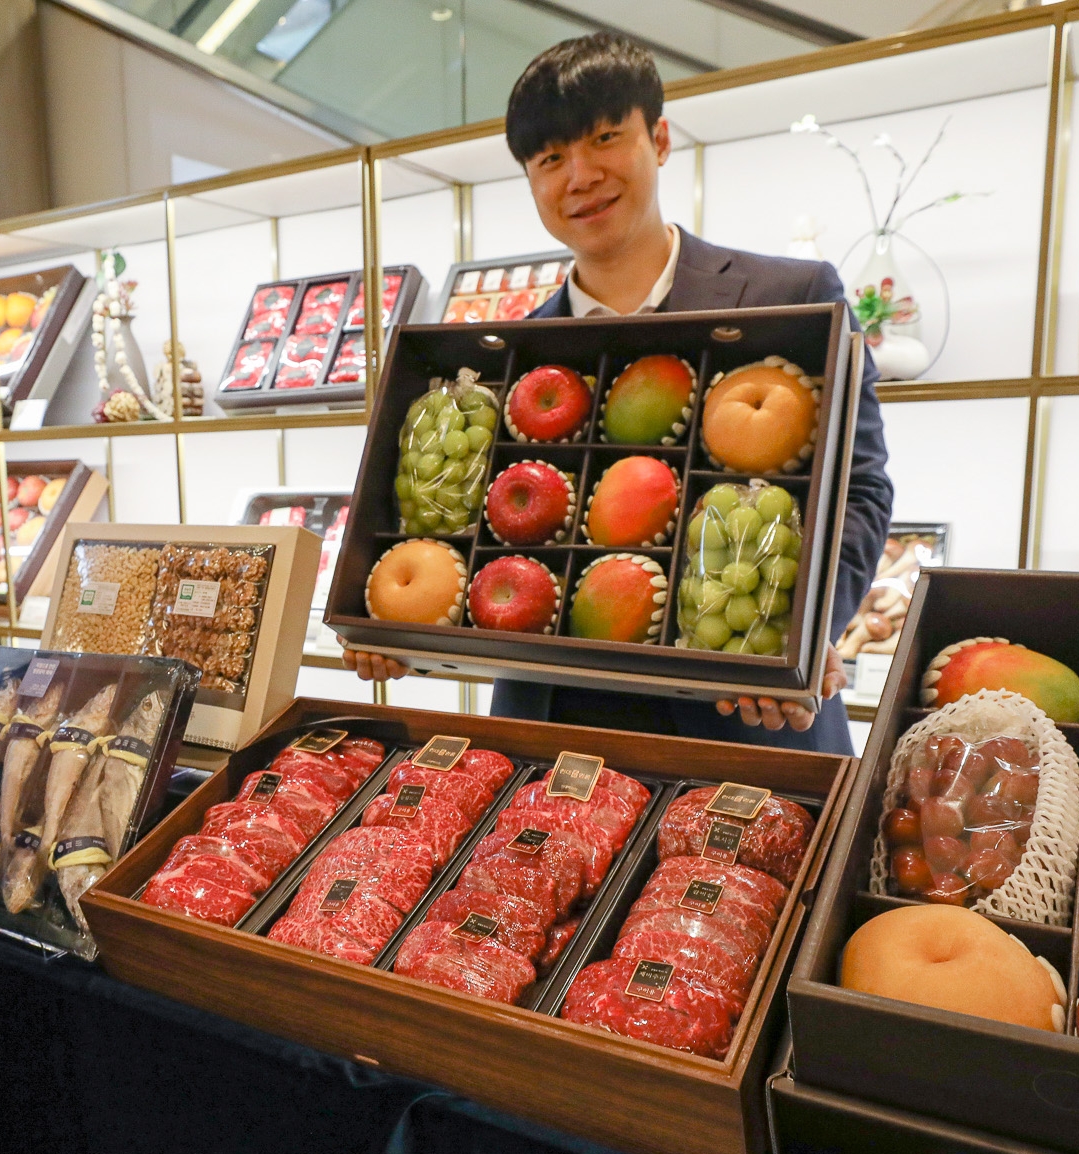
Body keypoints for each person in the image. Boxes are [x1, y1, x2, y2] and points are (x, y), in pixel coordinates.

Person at [346, 32, 894, 756]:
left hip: (744, 721)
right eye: (550, 159)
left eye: (606, 138)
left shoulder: (791, 296)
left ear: (659, 139)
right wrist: (401, 634)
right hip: (556, 729)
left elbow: (861, 488)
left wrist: (801, 629)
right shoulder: (513, 361)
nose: (581, 175)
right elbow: (468, 538)